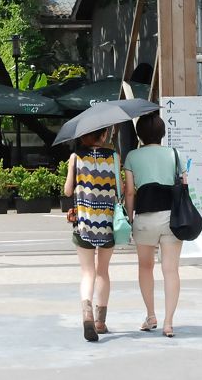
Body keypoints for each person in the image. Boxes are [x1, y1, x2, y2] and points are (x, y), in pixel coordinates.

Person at [123, 111, 187, 338]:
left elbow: (130, 192)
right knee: (171, 270)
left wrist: (130, 218)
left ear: (139, 134)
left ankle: (151, 316)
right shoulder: (174, 154)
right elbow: (184, 184)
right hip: (172, 218)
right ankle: (169, 323)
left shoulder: (132, 156)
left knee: (145, 267)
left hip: (144, 218)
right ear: (162, 132)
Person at [62, 126, 119, 342]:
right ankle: (100, 321)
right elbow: (120, 189)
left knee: (87, 273)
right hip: (107, 223)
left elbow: (68, 190)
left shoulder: (75, 157)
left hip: (83, 224)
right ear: (103, 135)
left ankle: (86, 314)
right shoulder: (113, 157)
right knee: (103, 271)